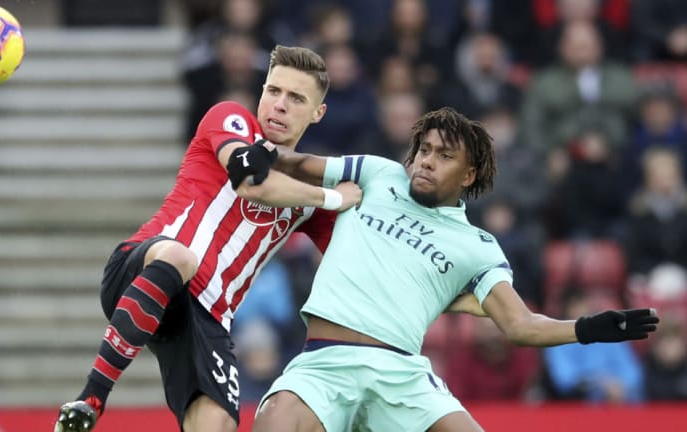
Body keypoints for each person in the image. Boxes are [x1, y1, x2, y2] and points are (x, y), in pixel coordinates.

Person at [252, 107, 660, 432]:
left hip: (401, 376)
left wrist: (587, 329)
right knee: (275, 421)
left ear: (468, 175)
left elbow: (520, 325)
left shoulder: (477, 246)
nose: (427, 162)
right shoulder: (379, 174)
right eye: (424, 150)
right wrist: (257, 153)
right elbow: (297, 162)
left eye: (445, 156)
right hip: (325, 361)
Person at [53, 45, 365, 432]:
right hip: (143, 267)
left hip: (207, 319)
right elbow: (250, 180)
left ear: (318, 113)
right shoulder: (229, 118)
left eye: (296, 98)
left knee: (217, 425)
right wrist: (333, 197)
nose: (280, 105)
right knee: (182, 257)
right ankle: (91, 399)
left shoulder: (304, 196)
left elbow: (356, 257)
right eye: (274, 91)